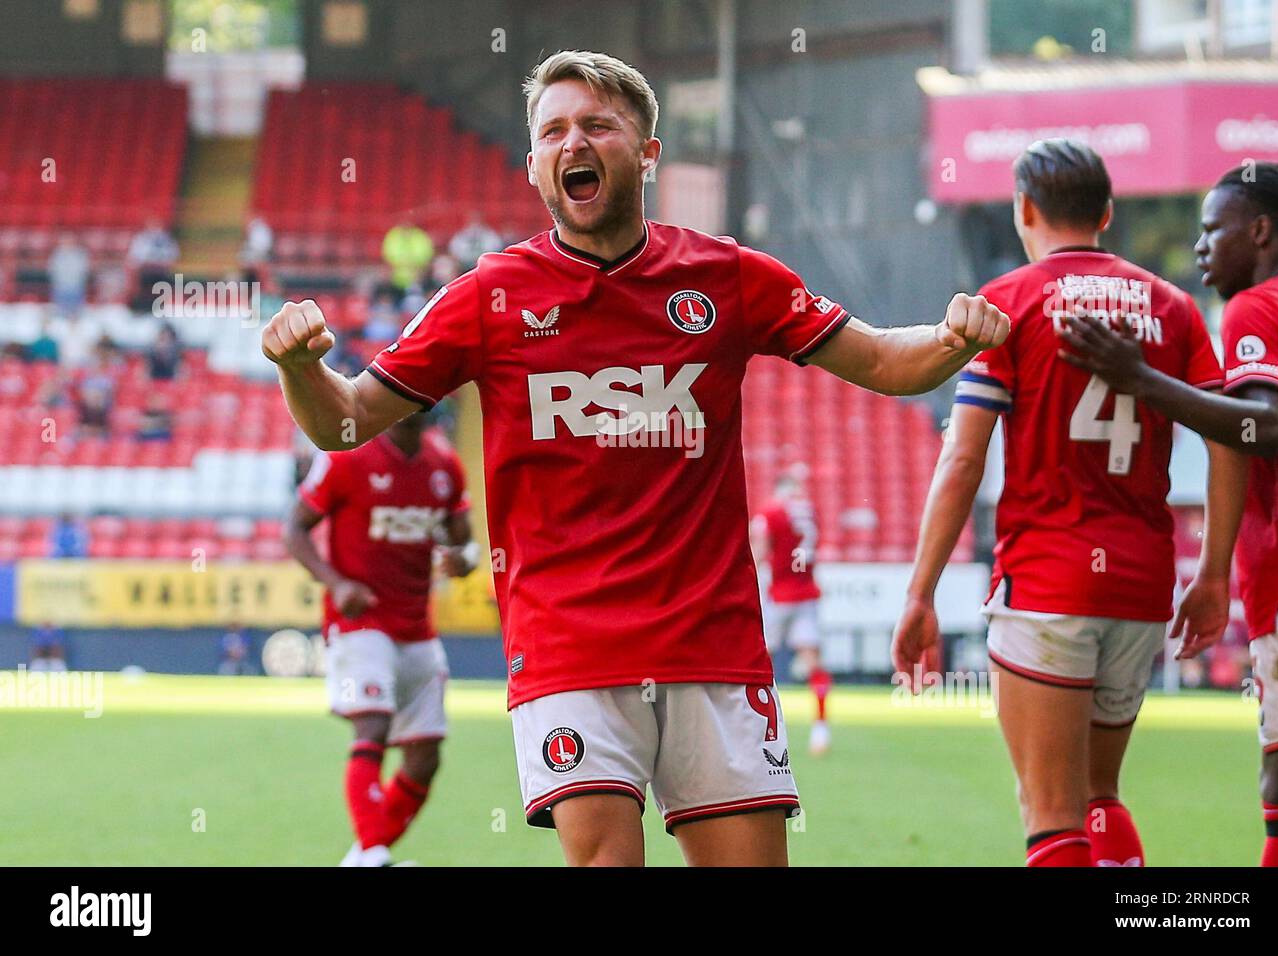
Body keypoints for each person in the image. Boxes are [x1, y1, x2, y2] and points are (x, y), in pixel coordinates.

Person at [262, 50, 1008, 867]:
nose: (571, 142)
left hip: (713, 644)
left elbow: (879, 360)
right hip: (568, 649)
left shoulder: (724, 275)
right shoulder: (488, 297)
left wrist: (949, 339)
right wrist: (302, 368)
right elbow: (346, 425)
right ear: (535, 165)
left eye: (596, 125)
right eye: (552, 131)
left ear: (647, 152)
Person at [893, 139, 1225, 867]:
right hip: (1141, 583)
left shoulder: (1004, 305)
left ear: (1024, 209)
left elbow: (964, 457)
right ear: (1106, 213)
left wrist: (920, 592)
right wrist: (1218, 572)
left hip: (1047, 581)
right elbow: (1227, 437)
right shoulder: (1175, 310)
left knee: (1050, 813)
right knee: (1100, 797)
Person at [1058, 161, 1278, 867]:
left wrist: (1140, 379)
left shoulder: (1258, 306)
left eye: (1211, 230)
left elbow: (1265, 426)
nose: (1199, 248)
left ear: (1259, 232)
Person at [284, 413, 477, 867]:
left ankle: (365, 855)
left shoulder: (443, 465)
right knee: (372, 726)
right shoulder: (346, 456)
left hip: (417, 625)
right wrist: (336, 583)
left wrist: (462, 560)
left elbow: (463, 540)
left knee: (425, 756)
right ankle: (373, 853)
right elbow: (294, 528)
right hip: (361, 621)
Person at [751, 463, 832, 755]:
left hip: (779, 594)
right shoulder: (809, 511)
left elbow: (759, 550)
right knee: (812, 661)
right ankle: (821, 730)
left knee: (759, 662)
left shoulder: (770, 512)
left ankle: (760, 729)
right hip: (807, 592)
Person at [381, 219, 434, 294]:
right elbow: (388, 256)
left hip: (417, 279)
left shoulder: (419, 236)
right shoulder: (393, 236)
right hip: (397, 280)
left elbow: (425, 255)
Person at [47, 235, 90, 318]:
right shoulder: (56, 254)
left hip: (76, 287)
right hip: (60, 287)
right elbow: (52, 270)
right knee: (61, 312)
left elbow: (83, 270)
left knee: (76, 313)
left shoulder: (79, 254)